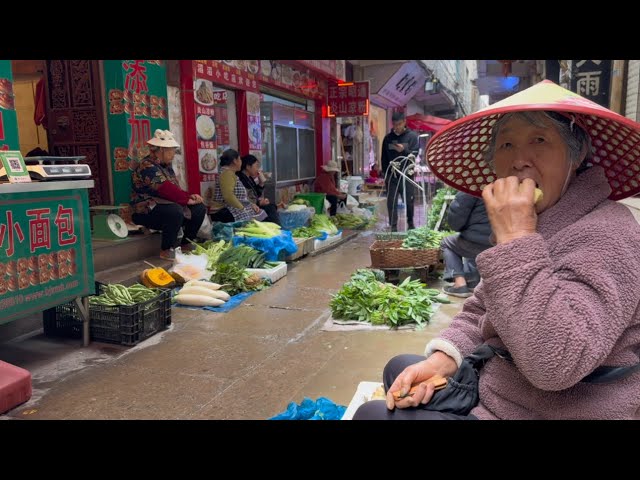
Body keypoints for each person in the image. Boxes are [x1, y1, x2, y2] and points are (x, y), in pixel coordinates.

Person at [353, 80, 640, 420]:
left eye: (539, 139)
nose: (520, 160)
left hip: (552, 410)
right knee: (399, 369)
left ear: (576, 155)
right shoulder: (541, 219)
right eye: (506, 144)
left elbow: (557, 364)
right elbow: (481, 309)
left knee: (372, 415)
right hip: (503, 387)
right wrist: (443, 359)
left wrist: (517, 238)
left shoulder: (610, 232)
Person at [130, 129, 206, 260]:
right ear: (161, 150)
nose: (173, 154)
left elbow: (174, 188)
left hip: (164, 206)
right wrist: (186, 200)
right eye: (171, 150)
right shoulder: (146, 165)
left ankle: (186, 243)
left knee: (199, 208)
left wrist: (190, 196)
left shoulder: (166, 166)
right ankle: (166, 249)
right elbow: (164, 188)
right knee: (175, 211)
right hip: (146, 211)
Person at [440, 191, 492, 298]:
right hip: (506, 241)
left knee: (447, 243)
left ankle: (460, 284)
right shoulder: (512, 184)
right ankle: (473, 282)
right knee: (470, 240)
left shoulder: (472, 188)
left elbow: (455, 222)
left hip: (482, 241)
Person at [381, 111, 419, 231]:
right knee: (391, 202)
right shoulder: (388, 138)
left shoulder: (412, 136)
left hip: (407, 174)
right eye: (395, 124)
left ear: (404, 122)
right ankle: (393, 227)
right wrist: (385, 174)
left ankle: (410, 224)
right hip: (392, 175)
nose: (397, 127)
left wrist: (405, 149)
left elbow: (415, 153)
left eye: (399, 124)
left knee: (409, 200)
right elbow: (384, 158)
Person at [210, 149, 268, 223]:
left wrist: (251, 205)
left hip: (232, 209)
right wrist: (243, 208)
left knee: (261, 212)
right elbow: (228, 196)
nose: (241, 162)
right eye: (240, 159)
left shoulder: (230, 174)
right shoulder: (226, 174)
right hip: (224, 212)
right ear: (235, 161)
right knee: (259, 216)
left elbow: (239, 198)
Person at [237, 154, 280, 225]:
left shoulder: (249, 178)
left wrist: (261, 183)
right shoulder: (241, 179)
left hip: (254, 206)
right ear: (248, 166)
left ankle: (275, 229)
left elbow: (256, 194)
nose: (258, 169)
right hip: (247, 209)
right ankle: (276, 230)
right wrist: (258, 203)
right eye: (256, 166)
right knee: (270, 209)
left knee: (272, 206)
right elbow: (243, 199)